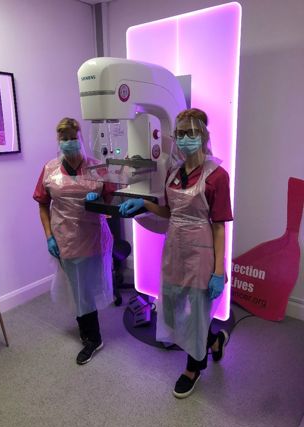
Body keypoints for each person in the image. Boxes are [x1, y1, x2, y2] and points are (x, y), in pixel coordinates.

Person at [119, 108, 233, 398]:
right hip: (174, 248)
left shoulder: (217, 176)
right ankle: (215, 339)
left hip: (201, 251)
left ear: (204, 135)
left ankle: (193, 368)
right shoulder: (173, 172)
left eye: (191, 133)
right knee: (173, 305)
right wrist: (144, 205)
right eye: (180, 133)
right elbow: (170, 212)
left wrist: (219, 271)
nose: (185, 139)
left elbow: (219, 227)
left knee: (196, 313)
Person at [33, 117, 115, 365]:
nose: (69, 142)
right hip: (63, 240)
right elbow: (43, 206)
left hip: (91, 238)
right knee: (75, 288)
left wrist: (97, 200)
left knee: (86, 289)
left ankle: (93, 338)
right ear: (58, 141)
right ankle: (88, 334)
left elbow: (111, 203)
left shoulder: (97, 168)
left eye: (72, 137)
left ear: (81, 138)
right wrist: (48, 237)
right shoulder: (49, 169)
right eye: (64, 138)